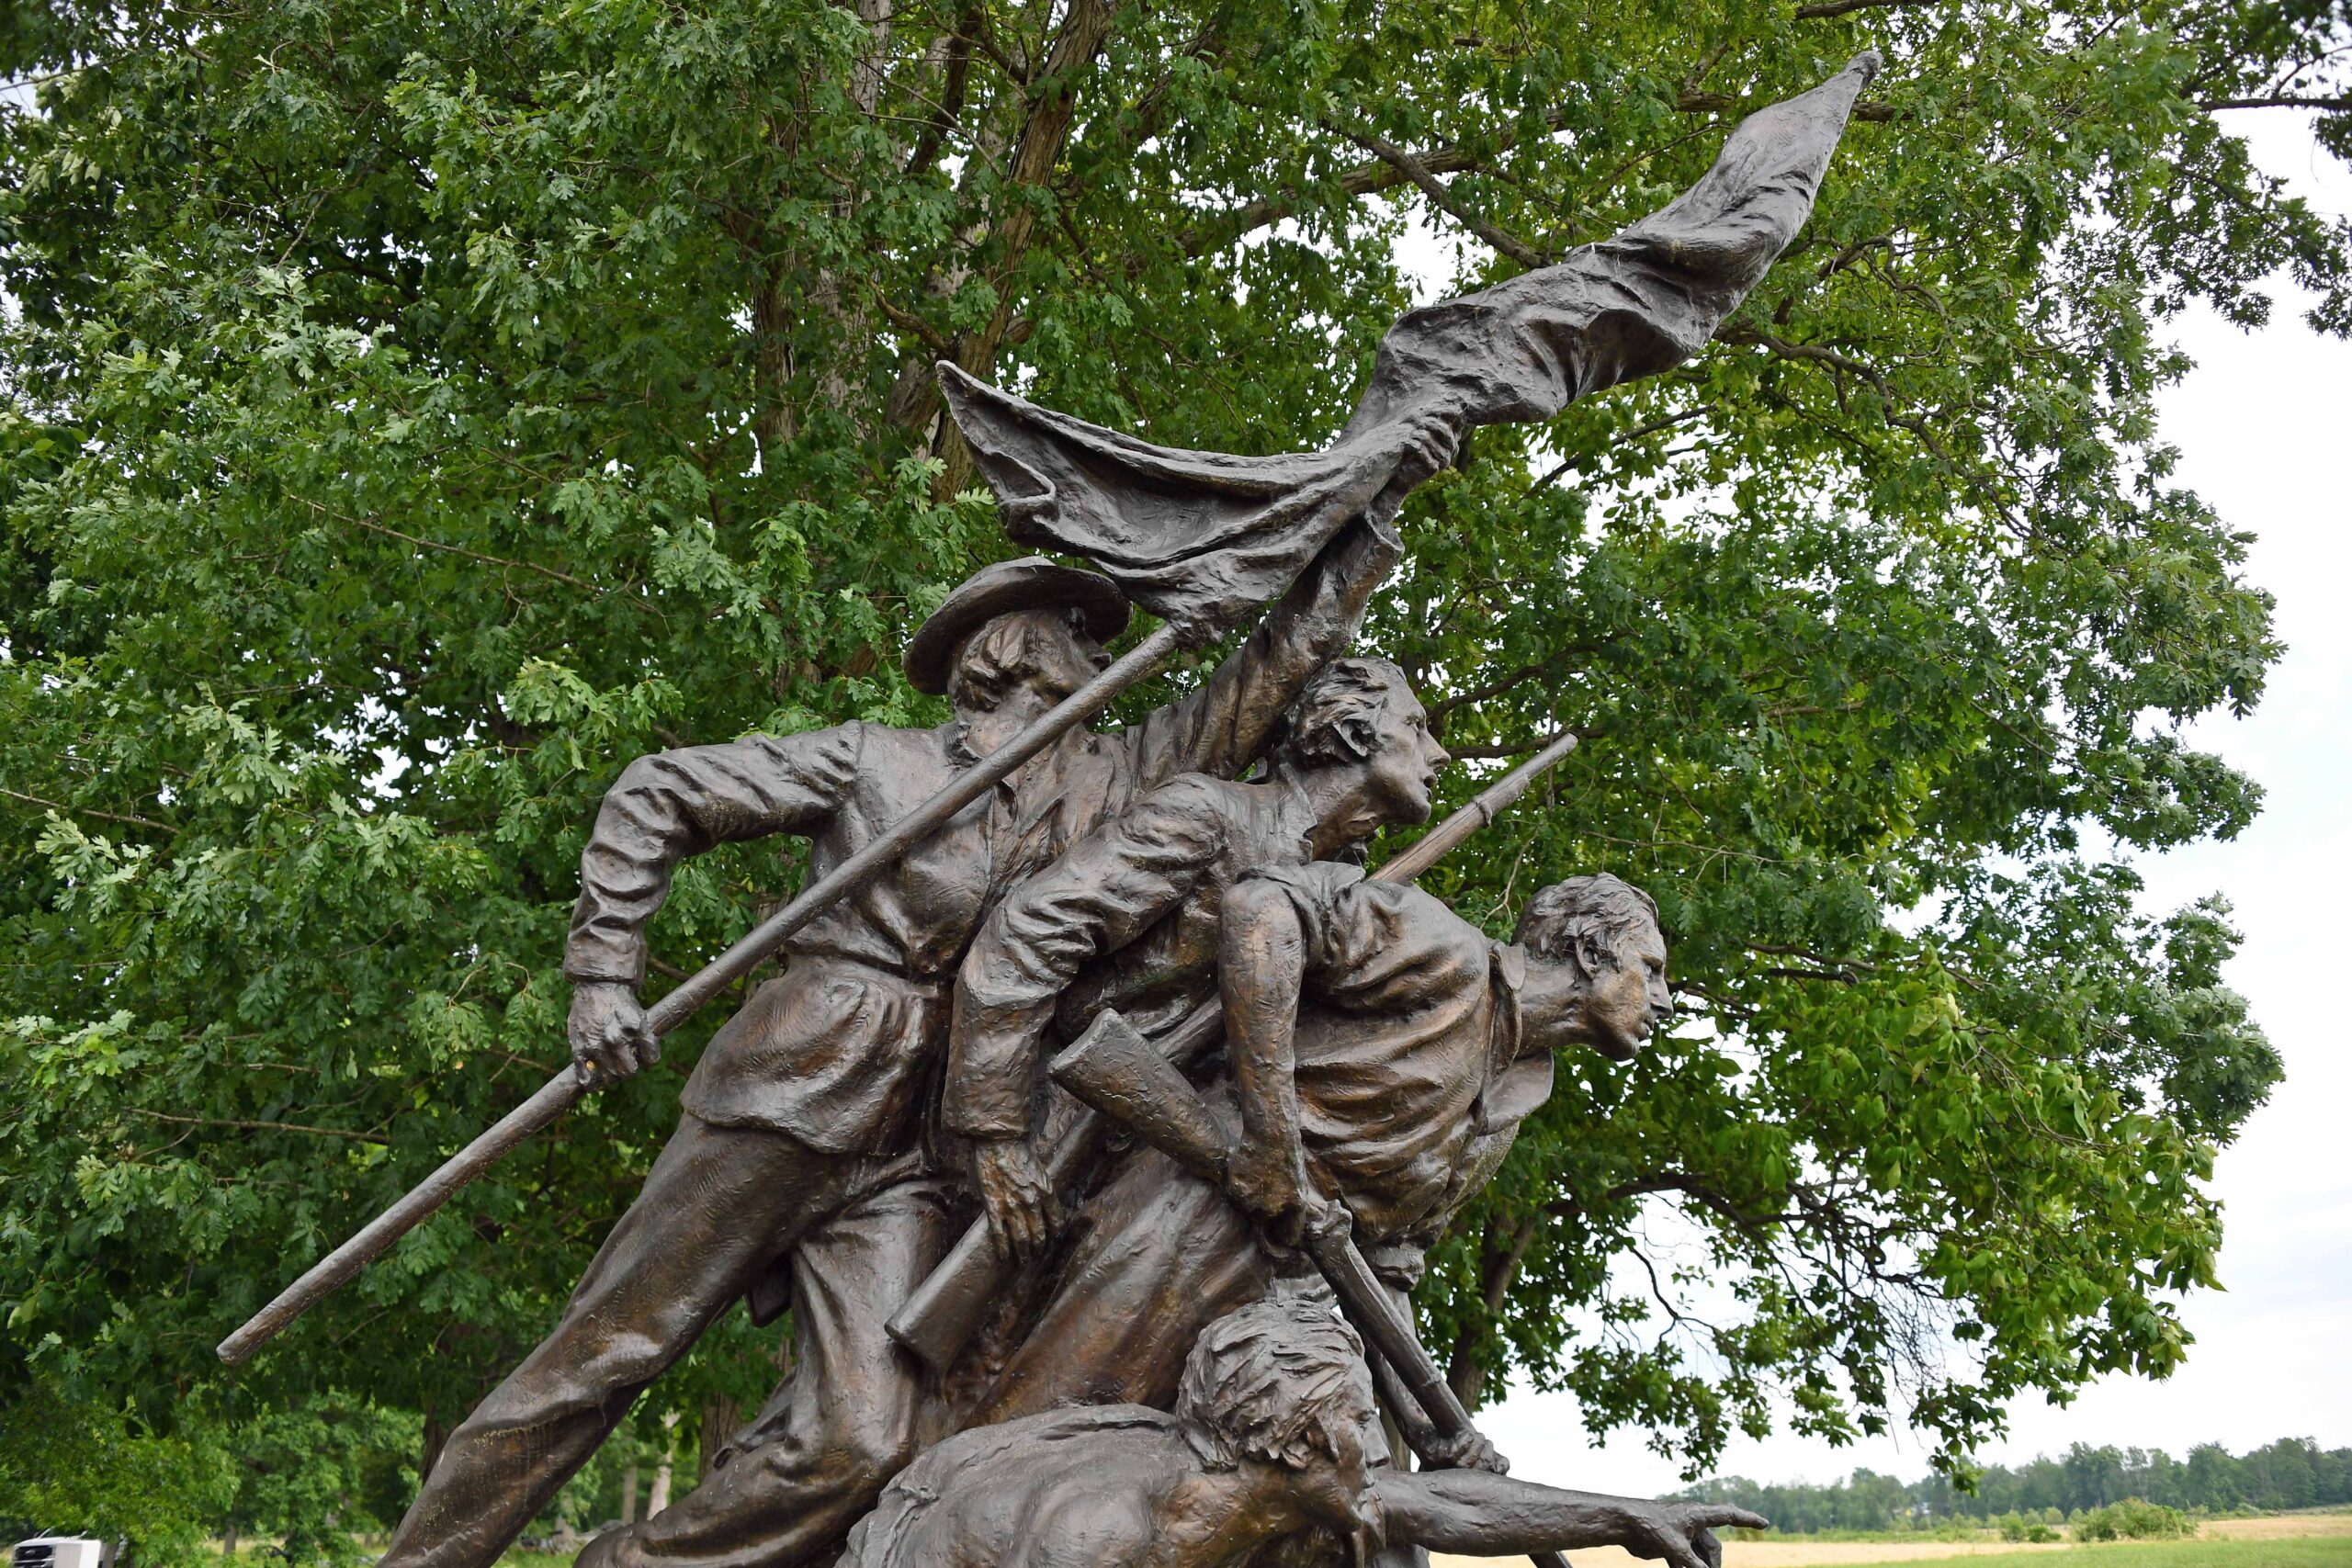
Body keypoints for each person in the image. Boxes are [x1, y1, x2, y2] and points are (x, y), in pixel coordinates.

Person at [381, 522, 1398, 1568]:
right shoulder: (875, 761)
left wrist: (1362, 537)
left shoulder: (1111, 779)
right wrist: (602, 975)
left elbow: (1258, 683)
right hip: (792, 1086)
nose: (1102, 652)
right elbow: (659, 791)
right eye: (1075, 630)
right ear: (1002, 648)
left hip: (920, 1151)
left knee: (861, 1442)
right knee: (605, 1355)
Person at [966, 868, 1672, 1428]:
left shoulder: (1515, 1099)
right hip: (1191, 1224)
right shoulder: (1445, 951)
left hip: (1299, 1313)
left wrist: (1426, 1420)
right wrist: (1273, 1137)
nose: (1666, 1000)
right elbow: (1263, 906)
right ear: (1588, 951)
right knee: (1048, 1437)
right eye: (1653, 968)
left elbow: (1389, 1267)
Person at [941, 655, 1453, 1262]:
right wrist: (996, 1135)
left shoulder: (1340, 896)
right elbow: (1031, 930)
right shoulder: (1212, 814)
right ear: (1350, 731)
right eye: (1417, 728)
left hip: (1165, 1159)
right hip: (1051, 1130)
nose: (1439, 754)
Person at [836, 1293, 1764, 1568]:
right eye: (1362, 1419)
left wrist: (1629, 1516)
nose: (1379, 1440)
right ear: (1296, 1443)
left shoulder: (1233, 1480)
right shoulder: (1104, 1542)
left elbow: (1443, 1505)